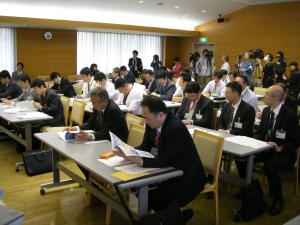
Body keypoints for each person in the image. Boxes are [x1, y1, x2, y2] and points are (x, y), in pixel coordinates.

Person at [116, 95, 208, 220]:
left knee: (151, 193)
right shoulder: (152, 123)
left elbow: (165, 160)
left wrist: (141, 160)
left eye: (147, 118)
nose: (145, 121)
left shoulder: (175, 128)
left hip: (185, 177)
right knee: (139, 188)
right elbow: (146, 145)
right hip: (166, 170)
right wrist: (130, 152)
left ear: (160, 115)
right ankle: (169, 217)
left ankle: (172, 218)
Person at [240, 85, 299, 215]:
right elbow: (261, 132)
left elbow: (296, 141)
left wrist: (281, 147)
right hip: (264, 148)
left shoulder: (290, 115)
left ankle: (278, 200)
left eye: (266, 94)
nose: (263, 96)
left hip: (282, 152)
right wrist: (252, 142)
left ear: (275, 99)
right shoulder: (266, 110)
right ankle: (251, 189)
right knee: (242, 158)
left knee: (270, 166)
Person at [65, 87, 128, 180]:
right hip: (102, 140)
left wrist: (89, 136)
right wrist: (76, 128)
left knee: (86, 158)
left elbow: (106, 133)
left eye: (94, 102)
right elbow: (91, 123)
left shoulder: (113, 110)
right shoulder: (97, 107)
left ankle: (96, 183)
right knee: (79, 157)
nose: (92, 104)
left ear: (103, 101)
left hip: (115, 144)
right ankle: (92, 181)